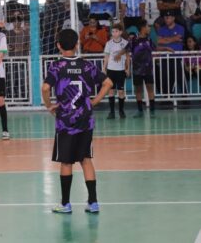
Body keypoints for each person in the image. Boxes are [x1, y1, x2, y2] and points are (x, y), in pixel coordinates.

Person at [42, 29, 113, 214]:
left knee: (66, 163)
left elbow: (45, 87)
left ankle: (65, 204)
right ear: (76, 45)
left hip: (65, 121)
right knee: (86, 160)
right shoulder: (87, 65)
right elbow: (108, 83)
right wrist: (95, 101)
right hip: (85, 120)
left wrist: (49, 105)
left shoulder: (56, 67)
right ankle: (93, 202)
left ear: (58, 45)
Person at [126, 19, 173, 118]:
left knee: (150, 89)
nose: (149, 28)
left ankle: (152, 111)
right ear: (143, 28)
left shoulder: (148, 39)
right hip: (137, 70)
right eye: (148, 26)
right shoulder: (133, 40)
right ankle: (140, 111)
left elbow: (155, 48)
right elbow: (127, 51)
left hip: (148, 69)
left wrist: (166, 48)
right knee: (138, 90)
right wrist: (127, 67)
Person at [102, 23, 130, 119]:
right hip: (111, 70)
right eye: (113, 31)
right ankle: (112, 112)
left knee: (121, 91)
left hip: (121, 70)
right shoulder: (109, 43)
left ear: (121, 32)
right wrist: (104, 68)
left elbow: (127, 57)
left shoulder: (125, 43)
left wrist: (127, 68)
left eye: (116, 31)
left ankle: (121, 111)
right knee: (111, 91)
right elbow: (106, 57)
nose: (114, 33)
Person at [157, 10, 186, 96]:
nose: (166, 19)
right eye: (165, 18)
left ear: (173, 18)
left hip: (176, 57)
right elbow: (159, 41)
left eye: (168, 18)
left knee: (180, 77)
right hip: (164, 57)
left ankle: (185, 97)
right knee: (165, 78)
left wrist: (165, 40)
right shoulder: (161, 29)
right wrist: (173, 39)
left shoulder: (180, 28)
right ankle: (167, 97)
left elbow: (179, 38)